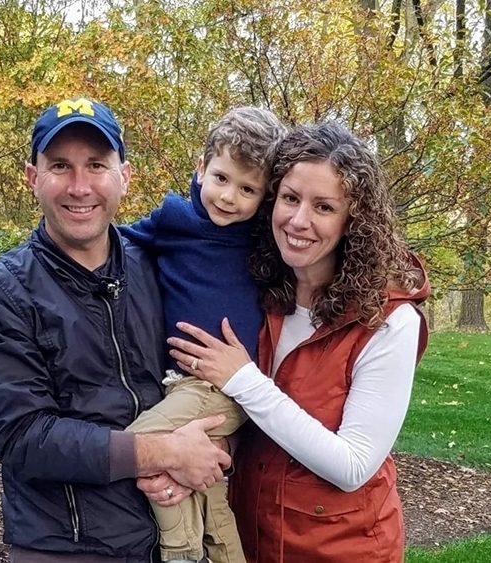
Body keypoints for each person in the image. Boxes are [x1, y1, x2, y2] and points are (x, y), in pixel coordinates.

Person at [0, 96, 231, 563]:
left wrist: (216, 445)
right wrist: (164, 453)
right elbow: (25, 438)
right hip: (67, 547)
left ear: (124, 176)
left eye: (97, 165)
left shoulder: (159, 267)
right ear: (32, 177)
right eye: (60, 165)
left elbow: (211, 375)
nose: (80, 186)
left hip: (174, 532)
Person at [166, 122, 431, 563]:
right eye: (290, 198)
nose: (299, 220)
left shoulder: (389, 321)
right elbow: (255, 426)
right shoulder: (264, 294)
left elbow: (352, 467)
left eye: (324, 207)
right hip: (254, 536)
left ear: (353, 222)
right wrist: (195, 452)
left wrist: (244, 380)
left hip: (341, 548)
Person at [119, 107, 287, 563]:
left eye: (248, 189)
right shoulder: (172, 220)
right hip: (184, 382)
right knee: (208, 484)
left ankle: (180, 552)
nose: (230, 197)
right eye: (221, 178)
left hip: (229, 385)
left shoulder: (263, 237)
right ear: (201, 168)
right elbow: (118, 239)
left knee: (142, 444)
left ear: (265, 196)